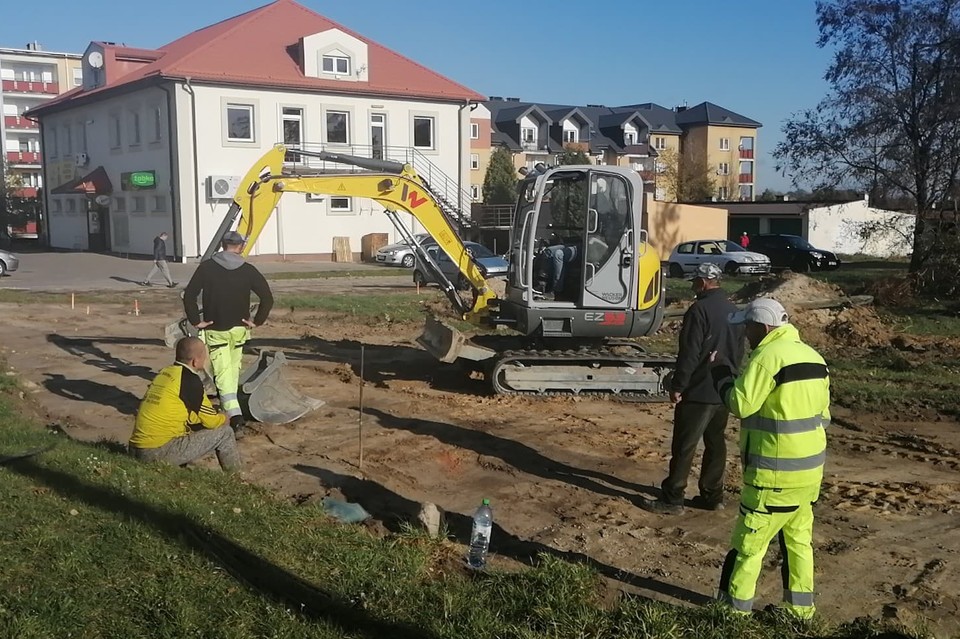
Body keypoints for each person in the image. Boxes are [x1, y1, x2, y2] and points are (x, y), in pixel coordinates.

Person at [710, 297, 830, 620]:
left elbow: (741, 403)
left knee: (748, 545)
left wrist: (720, 373)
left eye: (747, 329)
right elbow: (824, 417)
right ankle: (800, 612)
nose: (746, 337)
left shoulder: (767, 357)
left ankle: (732, 615)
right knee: (798, 545)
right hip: (807, 479)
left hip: (771, 479)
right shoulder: (815, 358)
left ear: (762, 328)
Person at [641, 262, 744, 515]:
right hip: (724, 388)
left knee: (685, 445)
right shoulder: (734, 311)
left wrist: (679, 385)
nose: (693, 286)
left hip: (698, 389)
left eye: (695, 282)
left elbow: (690, 353)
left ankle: (673, 498)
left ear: (704, 282)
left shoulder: (699, 310)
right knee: (716, 442)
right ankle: (712, 496)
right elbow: (739, 351)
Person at [183, 231, 274, 438]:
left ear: (222, 245)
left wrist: (196, 321)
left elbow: (189, 295)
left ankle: (235, 419)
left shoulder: (206, 268)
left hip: (216, 330)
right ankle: (233, 410)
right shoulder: (248, 270)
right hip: (240, 330)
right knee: (231, 371)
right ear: (240, 246)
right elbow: (267, 298)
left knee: (224, 375)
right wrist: (256, 321)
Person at [129, 336, 241, 471]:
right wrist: (224, 417)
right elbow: (211, 421)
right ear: (195, 361)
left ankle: (180, 467)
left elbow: (185, 413)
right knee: (225, 433)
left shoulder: (165, 373)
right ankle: (235, 479)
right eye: (204, 358)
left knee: (190, 426)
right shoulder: (190, 380)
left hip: (136, 449)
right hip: (156, 452)